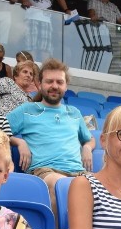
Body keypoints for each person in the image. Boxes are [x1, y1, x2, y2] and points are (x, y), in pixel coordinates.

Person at [6, 59, 94, 214]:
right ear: (39, 84)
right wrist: (18, 142)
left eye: (59, 82)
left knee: (105, 186)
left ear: (66, 86)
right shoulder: (27, 109)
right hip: (45, 171)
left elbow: (89, 138)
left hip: (78, 171)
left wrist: (87, 146)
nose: (54, 86)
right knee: (59, 184)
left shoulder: (74, 113)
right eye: (49, 81)